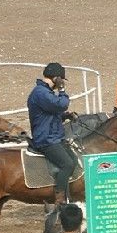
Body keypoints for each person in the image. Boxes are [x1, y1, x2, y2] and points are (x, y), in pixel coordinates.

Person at [27, 62, 78, 205]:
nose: (60, 84)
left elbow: (49, 115)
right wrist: (62, 90)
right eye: (60, 80)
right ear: (56, 78)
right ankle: (60, 199)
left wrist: (64, 117)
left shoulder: (45, 93)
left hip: (54, 137)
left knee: (73, 161)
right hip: (46, 140)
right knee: (67, 164)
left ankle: (67, 193)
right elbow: (61, 104)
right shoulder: (40, 93)